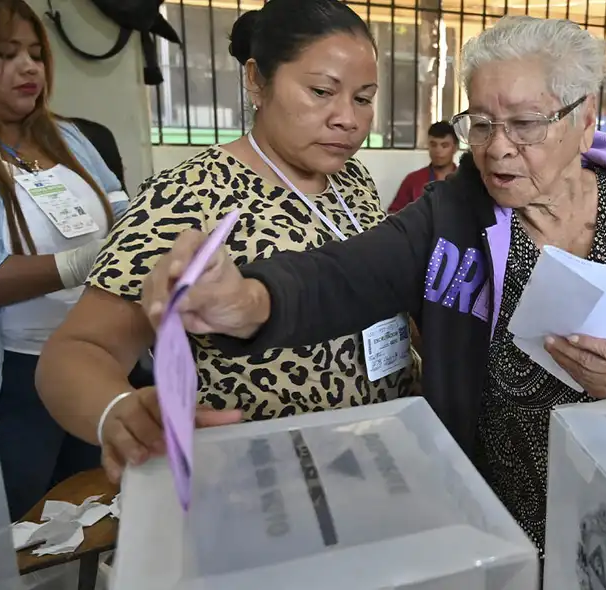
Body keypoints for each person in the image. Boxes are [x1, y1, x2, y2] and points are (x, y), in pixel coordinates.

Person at [137, 16, 606, 551]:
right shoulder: (450, 216)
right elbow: (343, 276)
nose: (497, 150)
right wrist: (246, 299)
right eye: (480, 124)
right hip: (490, 508)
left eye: (525, 124)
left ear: (584, 120)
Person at [36, 0, 418, 485]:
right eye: (322, 91)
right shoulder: (190, 194)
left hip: (380, 459)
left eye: (363, 98)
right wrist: (117, 410)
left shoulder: (352, 180)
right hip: (260, 480)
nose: (348, 119)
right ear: (257, 80)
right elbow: (76, 350)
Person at [0, 0, 129, 520]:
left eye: (34, 53)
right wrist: (81, 264)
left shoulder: (68, 137)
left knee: (95, 507)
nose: (29, 68)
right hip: (16, 378)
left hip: (96, 357)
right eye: (6, 54)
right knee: (21, 522)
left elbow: (120, 207)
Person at [387, 120, 458, 213]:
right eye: (433, 145)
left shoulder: (466, 181)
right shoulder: (413, 180)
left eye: (444, 146)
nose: (438, 150)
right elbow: (393, 213)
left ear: (455, 148)